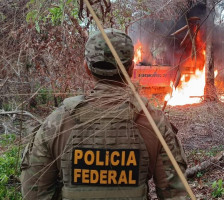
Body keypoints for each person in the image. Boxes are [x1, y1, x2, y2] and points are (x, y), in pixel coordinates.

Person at [21, 28, 188, 200]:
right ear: (131, 69)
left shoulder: (56, 123)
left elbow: (33, 193)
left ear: (87, 67)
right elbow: (177, 194)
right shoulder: (154, 122)